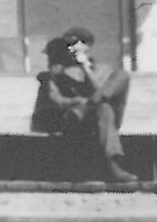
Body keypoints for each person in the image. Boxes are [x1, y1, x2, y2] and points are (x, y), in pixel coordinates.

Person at [31, 27, 137, 183]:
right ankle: (114, 167)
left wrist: (85, 67)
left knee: (119, 79)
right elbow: (55, 99)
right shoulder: (58, 72)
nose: (69, 49)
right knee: (104, 107)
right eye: (67, 45)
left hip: (100, 119)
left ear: (87, 46)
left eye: (73, 44)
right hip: (74, 119)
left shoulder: (103, 69)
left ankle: (89, 107)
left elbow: (100, 90)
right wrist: (79, 102)